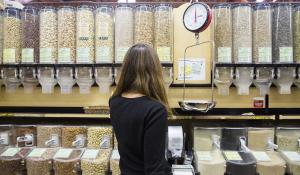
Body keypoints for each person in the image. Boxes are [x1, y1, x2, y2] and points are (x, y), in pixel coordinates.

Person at [109, 43, 172, 175]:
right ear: (154, 70)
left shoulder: (115, 102)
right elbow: (154, 169)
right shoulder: (155, 110)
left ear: (126, 68)